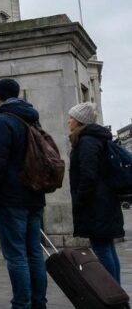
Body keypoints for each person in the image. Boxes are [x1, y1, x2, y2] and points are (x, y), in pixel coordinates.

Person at [0, 78, 47, 309]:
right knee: (34, 253)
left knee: (16, 255)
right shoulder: (32, 118)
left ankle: (21, 303)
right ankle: (39, 302)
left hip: (11, 198)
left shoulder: (3, 121)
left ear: (1, 96)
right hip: (35, 195)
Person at [67, 102, 123, 282]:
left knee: (102, 248)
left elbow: (88, 175)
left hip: (96, 203)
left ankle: (112, 293)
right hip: (105, 201)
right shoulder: (98, 139)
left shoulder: (87, 142)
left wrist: (80, 200)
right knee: (107, 248)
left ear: (80, 121)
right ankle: (117, 292)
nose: (69, 121)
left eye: (71, 118)